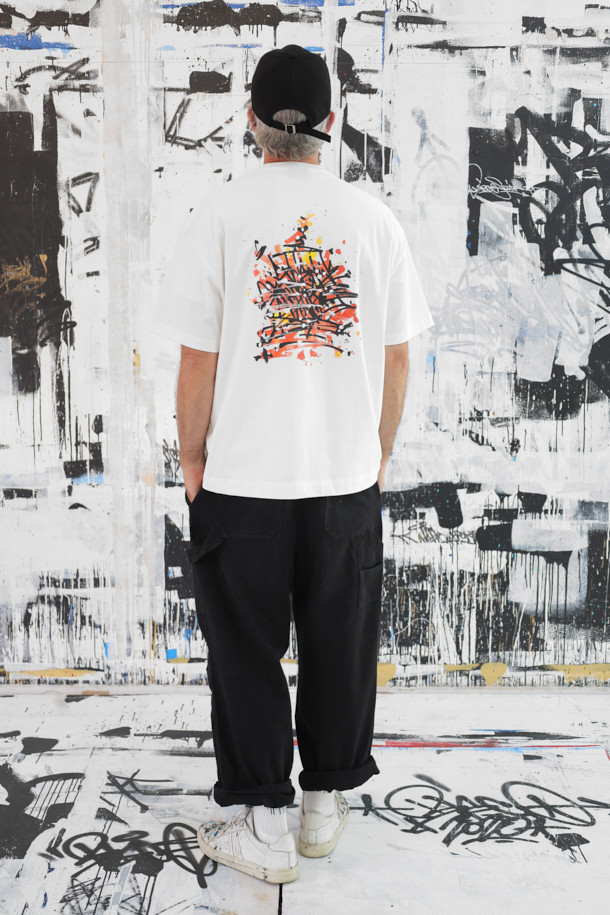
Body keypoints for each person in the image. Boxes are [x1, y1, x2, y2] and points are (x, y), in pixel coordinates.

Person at [152, 44, 434, 884]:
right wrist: (377, 451)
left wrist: (192, 459)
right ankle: (320, 807)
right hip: (344, 478)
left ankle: (264, 823)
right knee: (339, 641)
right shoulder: (374, 221)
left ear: (251, 123)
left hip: (242, 479)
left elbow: (196, 361)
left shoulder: (218, 217)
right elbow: (398, 358)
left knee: (245, 648)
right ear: (331, 124)